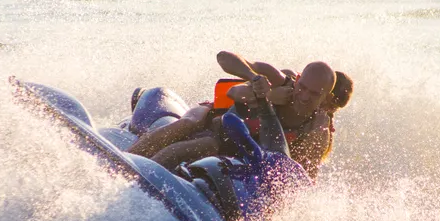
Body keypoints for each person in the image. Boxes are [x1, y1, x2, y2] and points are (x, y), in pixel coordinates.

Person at [128, 52, 351, 179]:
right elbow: (224, 60)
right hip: (220, 128)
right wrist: (254, 79)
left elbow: (307, 176)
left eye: (314, 94)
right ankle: (131, 164)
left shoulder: (318, 130)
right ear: (299, 78)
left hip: (250, 157)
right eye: (302, 87)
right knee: (198, 135)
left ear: (325, 98)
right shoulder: (280, 82)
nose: (303, 96)